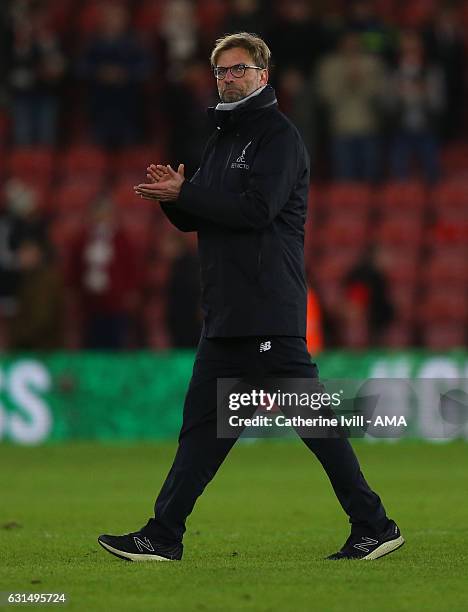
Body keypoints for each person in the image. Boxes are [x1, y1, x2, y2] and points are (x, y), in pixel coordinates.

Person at [98, 32, 404, 562]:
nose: (228, 78)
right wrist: (176, 199)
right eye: (221, 71)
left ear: (264, 76)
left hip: (266, 310)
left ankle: (374, 524)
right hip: (228, 313)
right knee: (202, 432)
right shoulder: (222, 138)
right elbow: (205, 216)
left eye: (238, 70)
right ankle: (163, 535)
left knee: (315, 426)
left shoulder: (278, 137)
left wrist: (187, 193)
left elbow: (256, 211)